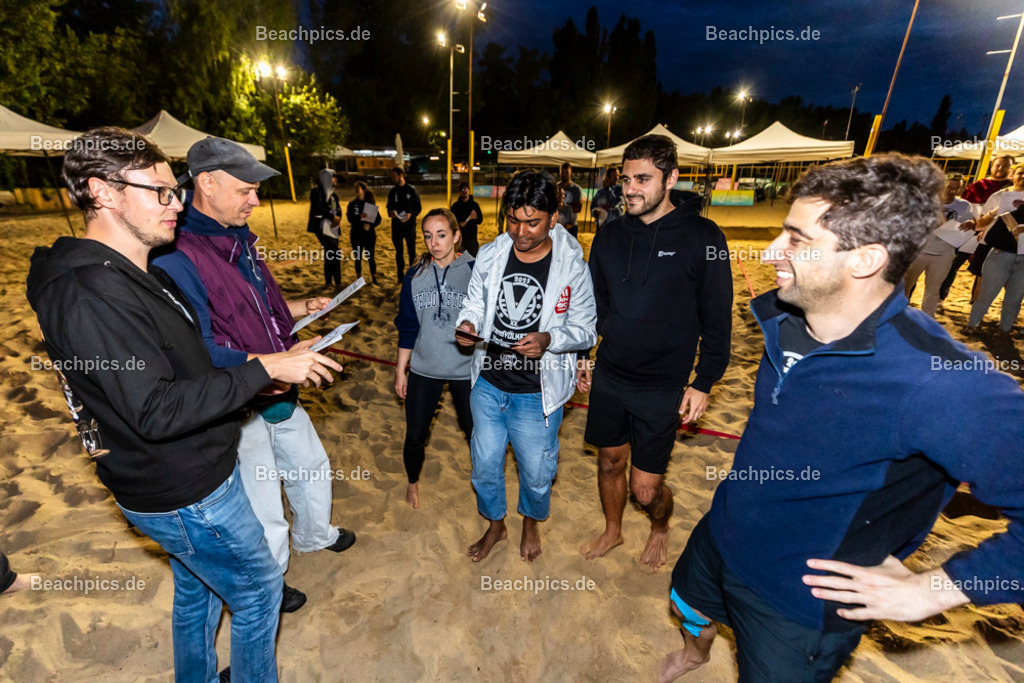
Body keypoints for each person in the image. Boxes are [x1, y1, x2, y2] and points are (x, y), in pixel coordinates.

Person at [660, 153, 1024, 683]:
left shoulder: (937, 380)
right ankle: (695, 653)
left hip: (797, 606)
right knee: (686, 606)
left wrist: (934, 590)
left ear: (865, 259)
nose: (770, 251)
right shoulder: (788, 313)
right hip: (723, 534)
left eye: (797, 239)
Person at [26, 127, 343, 680]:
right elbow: (153, 409)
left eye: (175, 191)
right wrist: (264, 367)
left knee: (197, 592)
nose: (176, 204)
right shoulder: (88, 292)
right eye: (161, 192)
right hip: (182, 488)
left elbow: (183, 358)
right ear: (102, 191)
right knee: (259, 592)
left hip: (195, 472)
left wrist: (253, 381)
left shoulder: (130, 269)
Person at [154, 137, 357, 616]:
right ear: (206, 182)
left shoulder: (238, 237)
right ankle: (271, 577)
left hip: (279, 379)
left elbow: (255, 312)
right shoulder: (176, 254)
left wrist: (298, 310)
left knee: (309, 465)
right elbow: (197, 349)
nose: (255, 200)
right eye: (245, 189)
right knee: (262, 495)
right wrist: (267, 365)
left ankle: (314, 534)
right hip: (238, 394)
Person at [577, 134, 733, 571]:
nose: (630, 189)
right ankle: (613, 529)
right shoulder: (609, 235)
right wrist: (584, 355)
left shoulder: (704, 236)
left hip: (664, 384)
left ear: (672, 178)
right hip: (611, 373)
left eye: (643, 179)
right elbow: (596, 306)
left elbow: (718, 319)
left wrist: (704, 382)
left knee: (645, 489)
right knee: (609, 462)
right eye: (625, 179)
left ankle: (660, 526)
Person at [455, 169, 597, 563]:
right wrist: (469, 324)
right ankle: (496, 524)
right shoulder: (490, 254)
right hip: (488, 382)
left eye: (532, 222)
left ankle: (531, 522)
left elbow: (586, 330)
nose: (520, 231)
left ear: (554, 217)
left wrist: (550, 340)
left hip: (538, 391)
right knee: (484, 463)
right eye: (513, 220)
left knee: (537, 471)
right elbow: (476, 304)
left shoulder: (572, 267)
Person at [394, 208, 475, 509]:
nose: (434, 242)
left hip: (464, 368)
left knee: (474, 434)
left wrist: (473, 330)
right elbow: (407, 326)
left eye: (441, 235)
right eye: (428, 236)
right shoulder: (415, 276)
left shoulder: (474, 271)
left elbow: (486, 318)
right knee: (415, 433)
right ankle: (412, 482)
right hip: (425, 367)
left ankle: (482, 481)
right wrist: (401, 371)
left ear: (455, 236)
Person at [940, 156, 1015, 300]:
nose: (1000, 169)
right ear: (992, 166)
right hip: (968, 231)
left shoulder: (1012, 188)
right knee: (953, 264)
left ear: (1010, 168)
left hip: (993, 235)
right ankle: (941, 295)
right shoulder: (978, 185)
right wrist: (975, 225)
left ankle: (976, 302)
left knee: (983, 270)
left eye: (1005, 166)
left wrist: (985, 229)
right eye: (997, 165)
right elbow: (965, 207)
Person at [903, 174, 976, 317]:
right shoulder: (926, 202)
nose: (952, 191)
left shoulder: (964, 205)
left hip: (944, 253)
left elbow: (971, 224)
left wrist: (972, 224)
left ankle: (927, 320)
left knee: (933, 290)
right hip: (920, 250)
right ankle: (899, 314)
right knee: (906, 286)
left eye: (957, 188)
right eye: (950, 187)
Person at [967, 201, 1024, 334]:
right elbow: (991, 239)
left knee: (1014, 298)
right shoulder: (1009, 217)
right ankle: (973, 325)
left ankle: (1005, 329)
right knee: (987, 294)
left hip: (1019, 261)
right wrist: (1013, 233)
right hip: (1001, 256)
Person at [386, 166, 422, 282]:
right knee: (399, 252)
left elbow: (418, 208)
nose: (393, 178)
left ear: (401, 175)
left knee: (412, 251)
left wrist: (411, 214)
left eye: (394, 176)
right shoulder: (392, 192)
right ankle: (400, 277)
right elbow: (389, 208)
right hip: (396, 227)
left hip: (409, 226)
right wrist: (391, 213)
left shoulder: (411, 190)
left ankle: (412, 277)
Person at [308, 168, 342, 287]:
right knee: (334, 251)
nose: (336, 179)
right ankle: (336, 281)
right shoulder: (316, 192)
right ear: (327, 178)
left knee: (331, 253)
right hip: (321, 227)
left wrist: (337, 219)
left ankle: (330, 282)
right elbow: (317, 208)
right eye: (333, 176)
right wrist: (332, 217)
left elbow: (338, 210)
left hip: (333, 228)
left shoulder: (334, 195)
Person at [347, 180, 381, 284]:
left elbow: (378, 219)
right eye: (355, 189)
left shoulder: (370, 203)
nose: (356, 191)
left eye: (358, 188)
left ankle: (374, 278)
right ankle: (359, 279)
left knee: (371, 257)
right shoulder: (352, 204)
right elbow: (350, 218)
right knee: (358, 257)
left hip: (368, 235)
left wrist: (370, 225)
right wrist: (359, 217)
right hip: (356, 234)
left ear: (363, 190)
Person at [450, 181, 484, 256]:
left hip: (472, 239)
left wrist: (476, 218)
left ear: (469, 191)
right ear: (460, 192)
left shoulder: (474, 205)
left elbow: (480, 220)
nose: (464, 191)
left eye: (466, 189)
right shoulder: (455, 206)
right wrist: (458, 223)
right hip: (459, 239)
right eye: (462, 190)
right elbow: (450, 221)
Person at [591, 166, 623, 231]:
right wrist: (595, 211)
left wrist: (607, 189)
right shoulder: (600, 192)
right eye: (614, 176)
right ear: (607, 177)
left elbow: (614, 203)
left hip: (615, 226)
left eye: (617, 176)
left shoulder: (620, 189)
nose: (616, 178)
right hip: (601, 226)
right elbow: (593, 206)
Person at [558, 161, 584, 238]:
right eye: (562, 172)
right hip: (558, 225)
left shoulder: (576, 189)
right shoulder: (556, 187)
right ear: (559, 173)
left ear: (570, 172)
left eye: (567, 172)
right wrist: (572, 205)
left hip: (571, 226)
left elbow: (578, 209)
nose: (564, 174)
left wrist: (563, 206)